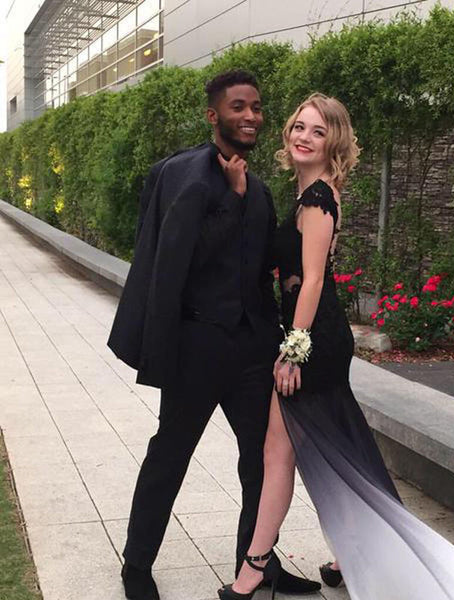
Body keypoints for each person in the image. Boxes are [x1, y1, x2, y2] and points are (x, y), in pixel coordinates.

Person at [218, 93, 454, 600]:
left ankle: (254, 567)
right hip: (316, 335)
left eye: (317, 131)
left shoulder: (318, 198)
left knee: (278, 451)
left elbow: (313, 281)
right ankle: (347, 555)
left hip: (313, 340)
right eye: (299, 126)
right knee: (340, 446)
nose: (304, 137)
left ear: (332, 142)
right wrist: (241, 191)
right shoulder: (308, 192)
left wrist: (293, 350)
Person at [107, 70, 320, 600]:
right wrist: (234, 197)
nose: (250, 116)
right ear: (213, 115)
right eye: (238, 107)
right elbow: (181, 259)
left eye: (256, 107)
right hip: (197, 348)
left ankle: (257, 564)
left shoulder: (260, 189)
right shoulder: (186, 176)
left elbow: (263, 265)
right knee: (170, 456)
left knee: (261, 462)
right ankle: (136, 565)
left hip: (252, 350)